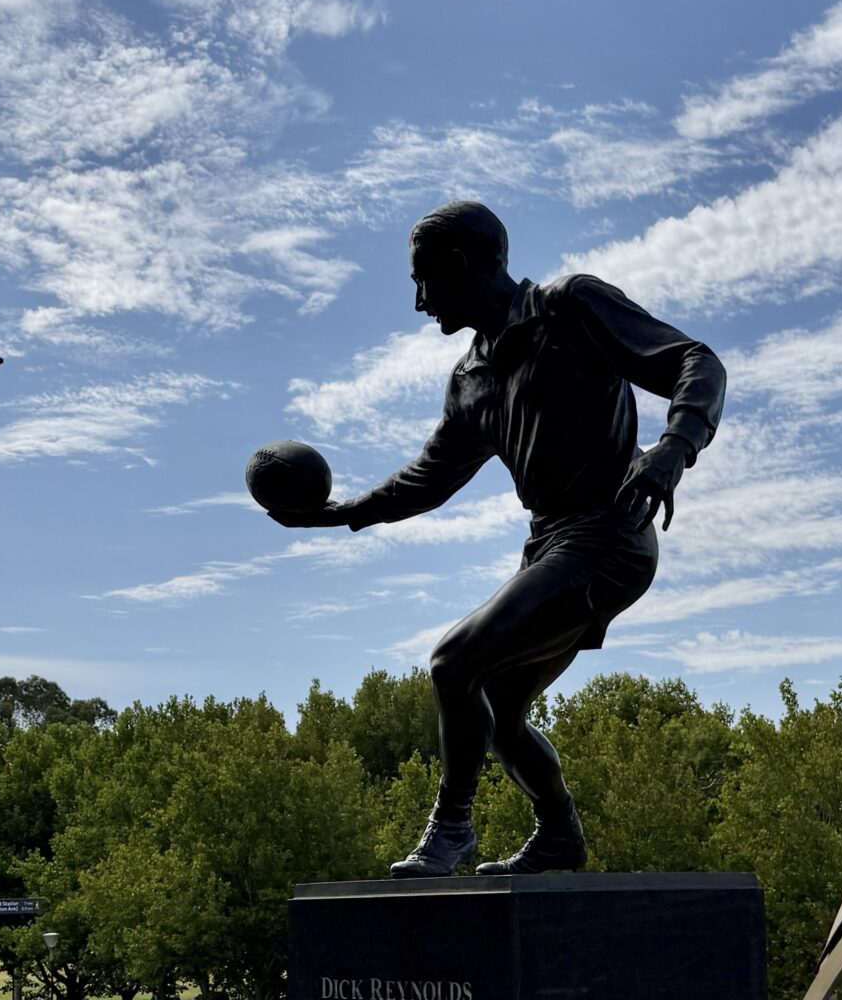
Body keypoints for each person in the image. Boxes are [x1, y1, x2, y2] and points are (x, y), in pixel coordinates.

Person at [267, 201, 724, 876]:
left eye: (423, 280)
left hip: (609, 535)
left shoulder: (569, 308)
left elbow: (695, 360)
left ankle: (451, 829)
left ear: (458, 265)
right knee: (499, 709)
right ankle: (560, 835)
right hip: (550, 546)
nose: (420, 302)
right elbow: (430, 477)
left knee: (454, 662)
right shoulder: (471, 380)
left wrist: (674, 447)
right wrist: (336, 514)